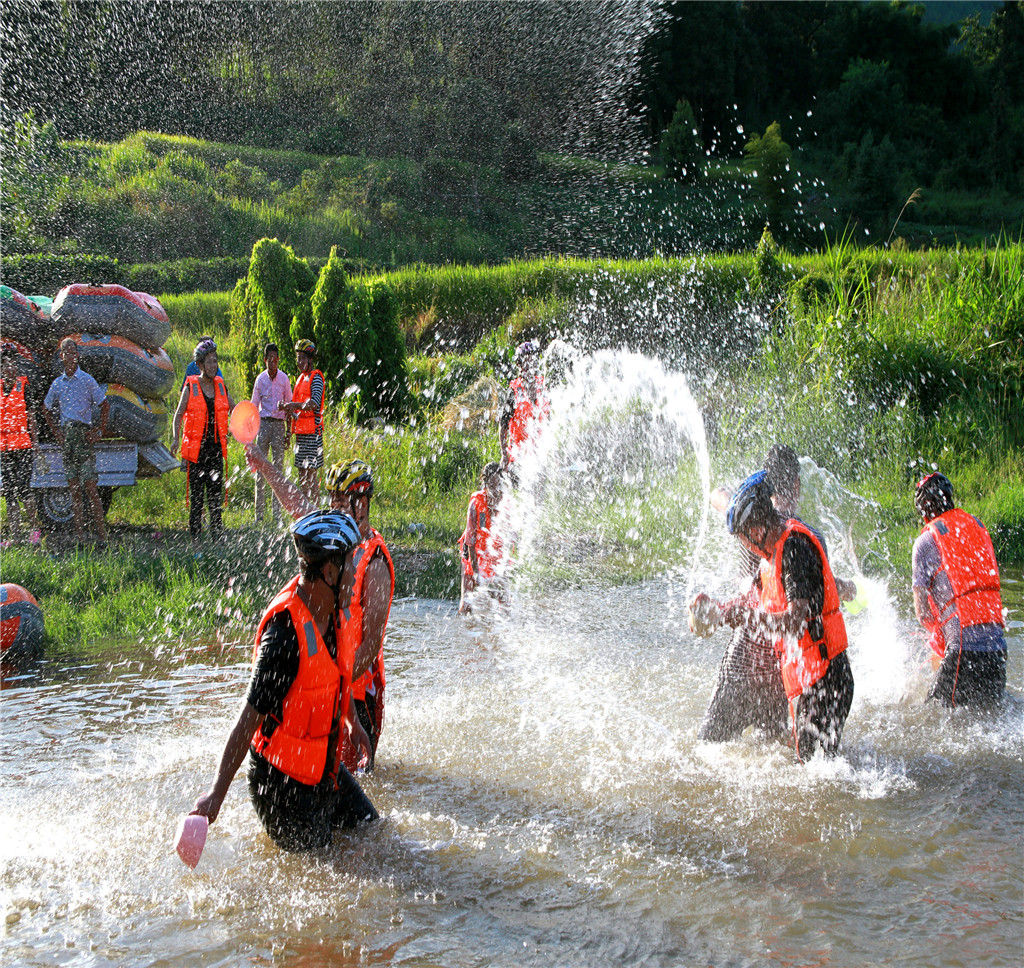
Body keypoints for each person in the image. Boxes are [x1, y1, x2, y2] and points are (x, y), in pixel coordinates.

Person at [191, 511, 378, 852]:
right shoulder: (284, 637)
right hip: (281, 787)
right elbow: (247, 721)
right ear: (330, 571)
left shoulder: (333, 611)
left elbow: (334, 675)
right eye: (352, 565)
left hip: (323, 770)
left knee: (375, 834)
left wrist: (353, 722)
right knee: (328, 871)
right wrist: (216, 794)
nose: (357, 575)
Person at [241, 447, 395, 772]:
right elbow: (297, 504)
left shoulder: (376, 564)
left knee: (356, 783)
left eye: (340, 503)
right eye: (332, 501)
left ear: (362, 504)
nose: (333, 509)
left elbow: (370, 645)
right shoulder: (333, 541)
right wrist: (266, 465)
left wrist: (333, 683)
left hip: (357, 692)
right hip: (329, 685)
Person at [718, 470, 855, 761]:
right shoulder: (771, 558)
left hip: (828, 680)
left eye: (742, 538)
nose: (744, 545)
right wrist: (718, 611)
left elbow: (793, 622)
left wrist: (745, 617)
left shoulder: (794, 548)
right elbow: (751, 601)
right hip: (813, 679)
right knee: (816, 767)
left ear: (755, 531)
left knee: (818, 774)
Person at [912, 472, 1006, 707]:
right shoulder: (978, 526)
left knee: (931, 717)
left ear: (923, 509)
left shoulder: (925, 542)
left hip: (963, 652)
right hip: (998, 650)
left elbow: (922, 613)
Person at [42, 338, 109, 547]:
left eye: (73, 352)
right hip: (67, 438)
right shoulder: (58, 384)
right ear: (61, 357)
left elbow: (104, 405)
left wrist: (98, 432)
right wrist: (57, 434)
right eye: (66, 353)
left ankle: (102, 537)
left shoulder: (86, 380)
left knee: (91, 489)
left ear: (77, 356)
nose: (70, 356)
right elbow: (46, 408)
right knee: (74, 491)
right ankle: (80, 537)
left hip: (84, 436)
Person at [171, 338, 236, 544]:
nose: (213, 365)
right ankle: (196, 542)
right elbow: (178, 414)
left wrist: (241, 428)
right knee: (197, 500)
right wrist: (174, 439)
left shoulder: (221, 385)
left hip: (215, 451)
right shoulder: (191, 386)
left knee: (215, 499)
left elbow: (235, 410)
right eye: (209, 362)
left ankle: (218, 539)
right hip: (196, 453)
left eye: (215, 361)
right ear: (199, 365)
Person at [0, 342, 40, 541]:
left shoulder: (24, 386)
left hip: (22, 446)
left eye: (13, 363)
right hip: (4, 449)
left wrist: (37, 444)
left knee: (26, 491)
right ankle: (16, 537)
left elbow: (31, 417)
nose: (10, 367)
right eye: (6, 363)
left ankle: (34, 534)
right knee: (9, 494)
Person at [458, 461, 509, 614]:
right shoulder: (476, 503)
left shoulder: (506, 504)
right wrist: (475, 572)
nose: (495, 491)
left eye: (498, 486)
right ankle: (465, 631)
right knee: (466, 604)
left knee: (505, 602)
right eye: (491, 487)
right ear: (485, 484)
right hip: (472, 552)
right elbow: (470, 541)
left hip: (495, 553)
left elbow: (508, 539)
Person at [250, 342, 292, 526]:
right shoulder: (260, 380)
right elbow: (253, 407)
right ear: (265, 360)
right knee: (260, 469)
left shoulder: (284, 379)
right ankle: (259, 515)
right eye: (270, 360)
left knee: (278, 471)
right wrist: (251, 434)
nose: (273, 363)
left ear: (278, 360)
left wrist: (289, 432)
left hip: (279, 426)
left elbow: (290, 406)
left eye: (276, 360)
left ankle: (277, 515)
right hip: (264, 424)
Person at [279, 338, 324, 505]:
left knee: (312, 475)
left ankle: (317, 511)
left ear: (310, 359)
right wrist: (288, 431)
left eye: (302, 358)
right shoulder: (300, 378)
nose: (299, 362)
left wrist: (293, 404)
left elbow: (314, 404)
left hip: (313, 433)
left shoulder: (316, 378)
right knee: (302, 476)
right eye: (297, 358)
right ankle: (306, 512)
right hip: (301, 434)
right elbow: (296, 410)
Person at [499, 340, 550, 470]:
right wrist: (504, 455)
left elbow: (549, 420)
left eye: (532, 362)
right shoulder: (514, 391)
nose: (529, 367)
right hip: (518, 454)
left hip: (540, 452)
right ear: (519, 365)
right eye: (525, 363)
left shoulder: (543, 387)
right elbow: (503, 425)